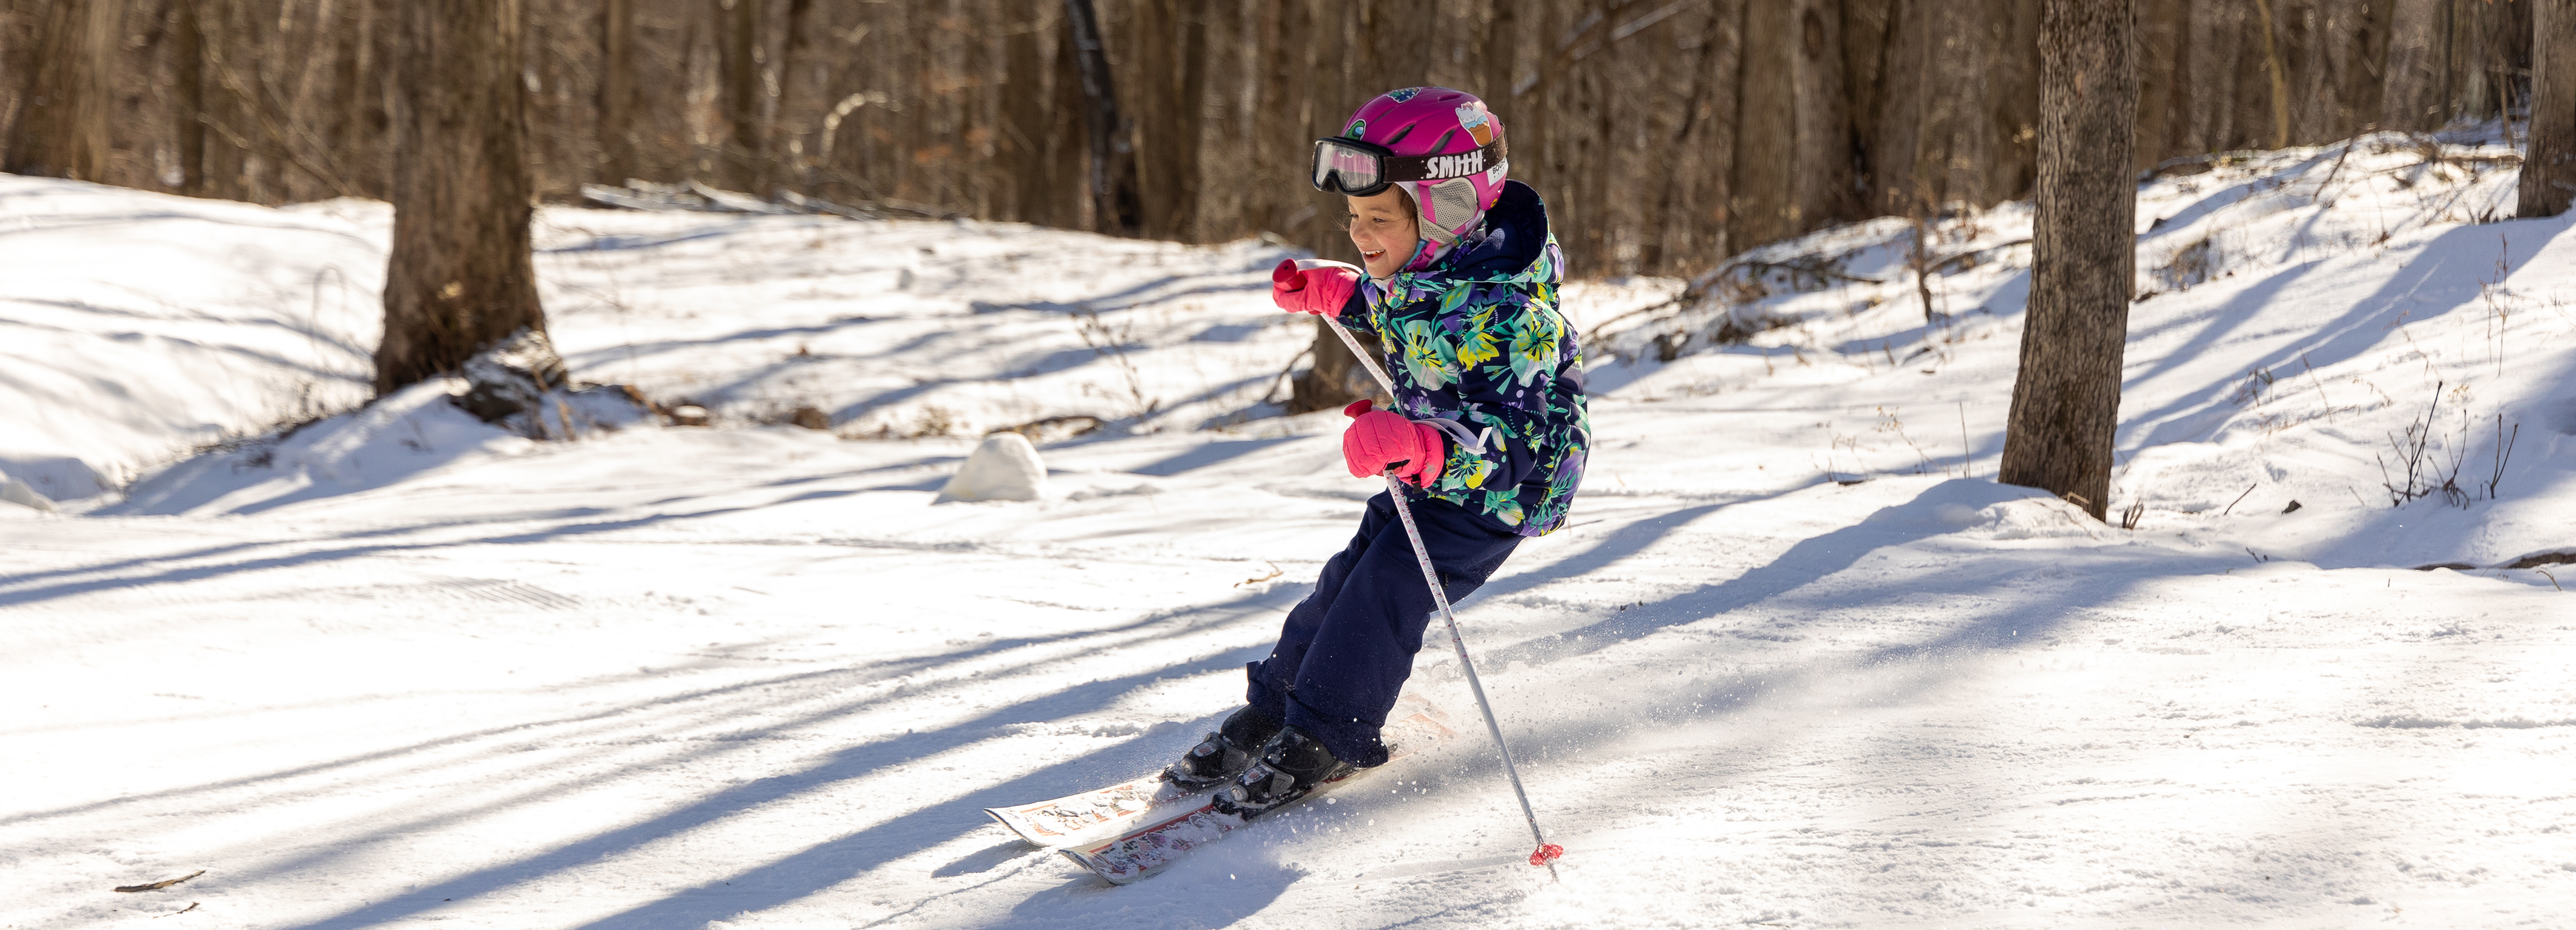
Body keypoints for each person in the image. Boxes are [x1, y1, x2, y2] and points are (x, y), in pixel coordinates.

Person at [1162, 87, 1591, 818]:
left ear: (1448, 209)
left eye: (1377, 219)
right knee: (1347, 576)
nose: (1360, 233)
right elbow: (1404, 312)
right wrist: (1339, 292)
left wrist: (1423, 445)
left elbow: (1514, 452)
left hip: (1499, 495)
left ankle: (1328, 735)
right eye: (1354, 218)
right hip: (1430, 473)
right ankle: (1277, 706)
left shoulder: (1517, 320)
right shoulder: (1427, 269)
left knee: (1384, 590)